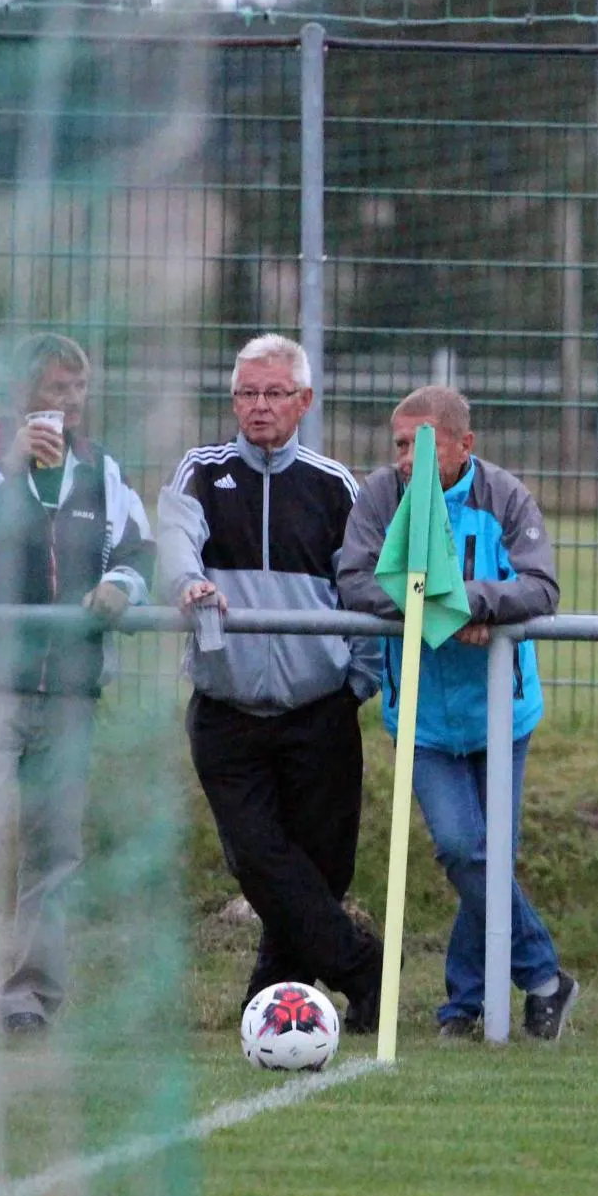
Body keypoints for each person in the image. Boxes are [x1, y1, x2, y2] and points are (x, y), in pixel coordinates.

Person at [0, 333, 154, 1039]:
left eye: (79, 389)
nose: (71, 403)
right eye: (56, 389)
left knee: (54, 852)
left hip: (70, 692)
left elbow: (140, 550)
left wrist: (123, 583)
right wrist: (10, 470)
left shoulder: (103, 471)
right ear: (22, 396)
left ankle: (31, 997)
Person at [160, 334, 385, 1032]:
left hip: (319, 710)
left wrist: (356, 682)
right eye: (248, 393)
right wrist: (189, 582)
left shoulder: (334, 485)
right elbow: (175, 538)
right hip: (226, 709)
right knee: (259, 858)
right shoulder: (201, 472)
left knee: (320, 869)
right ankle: (365, 970)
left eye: (275, 393)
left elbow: (364, 589)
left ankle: (275, 998)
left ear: (304, 401)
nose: (260, 406)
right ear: (233, 400)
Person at [339, 385, 578, 1041]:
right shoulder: (380, 497)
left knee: (488, 856)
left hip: (502, 712)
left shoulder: (505, 497)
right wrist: (446, 610)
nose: (406, 459)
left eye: (422, 445)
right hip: (422, 717)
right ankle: (544, 975)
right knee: (461, 848)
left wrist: (475, 601)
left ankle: (463, 1003)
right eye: (399, 444)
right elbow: (354, 581)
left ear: (464, 445)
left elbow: (540, 587)